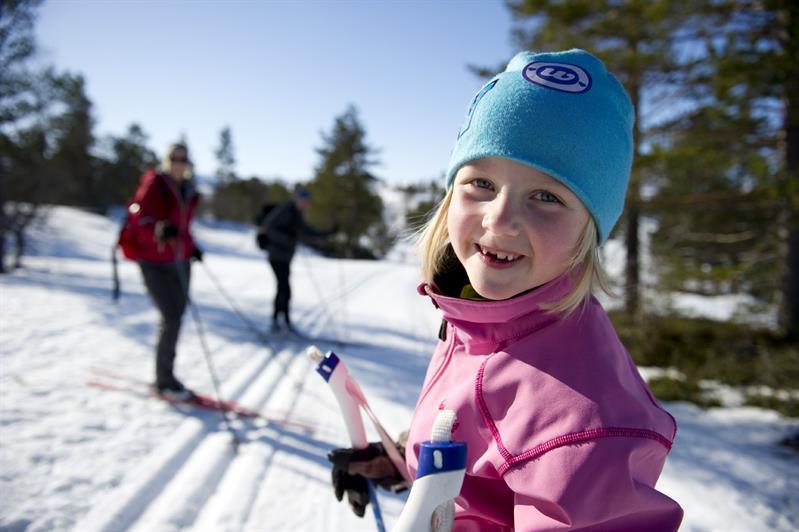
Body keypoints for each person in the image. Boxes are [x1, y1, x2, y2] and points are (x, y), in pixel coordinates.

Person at [327, 49, 684, 530]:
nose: (500, 218)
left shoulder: (583, 426)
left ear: (590, 230)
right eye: (481, 183)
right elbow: (489, 444)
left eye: (546, 197)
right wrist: (407, 465)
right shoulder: (483, 315)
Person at [127, 143, 202, 401]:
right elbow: (140, 218)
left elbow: (182, 228)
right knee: (170, 316)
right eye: (174, 157)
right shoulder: (155, 183)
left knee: (177, 316)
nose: (178, 162)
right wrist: (158, 229)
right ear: (166, 160)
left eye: (183, 158)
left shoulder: (189, 189)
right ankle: (163, 380)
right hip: (153, 261)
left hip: (180, 261)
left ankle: (166, 375)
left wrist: (192, 248)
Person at [258, 185, 334, 334]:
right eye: (303, 199)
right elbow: (270, 228)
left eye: (307, 200)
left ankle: (282, 322)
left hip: (285, 256)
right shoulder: (286, 210)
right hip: (276, 255)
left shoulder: (297, 213)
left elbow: (307, 231)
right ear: (297, 199)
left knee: (284, 288)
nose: (305, 203)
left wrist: (328, 233)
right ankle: (279, 322)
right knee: (284, 288)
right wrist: (288, 238)